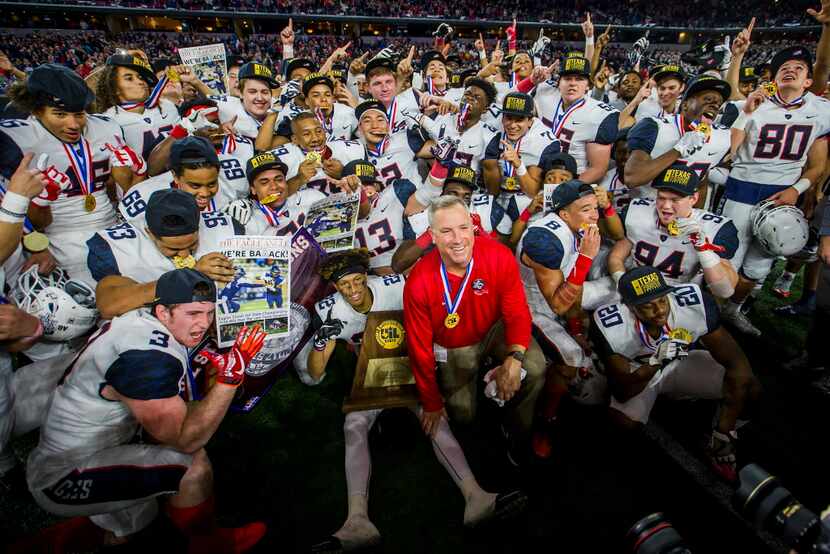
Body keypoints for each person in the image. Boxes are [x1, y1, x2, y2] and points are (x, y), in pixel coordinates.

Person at [23, 268, 268, 551]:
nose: (204, 324)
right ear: (163, 312)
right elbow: (187, 440)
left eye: (209, 313)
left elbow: (111, 283)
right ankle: (210, 545)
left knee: (135, 522)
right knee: (192, 468)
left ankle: (113, 533)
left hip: (89, 445)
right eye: (193, 314)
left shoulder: (141, 318)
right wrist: (230, 380)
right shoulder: (147, 361)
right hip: (63, 477)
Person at [303, 250, 525, 552]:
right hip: (370, 378)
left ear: (366, 277)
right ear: (335, 288)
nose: (353, 290)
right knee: (353, 425)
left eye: (358, 281)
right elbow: (315, 373)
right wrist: (321, 340)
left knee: (435, 417)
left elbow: (430, 320)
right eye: (345, 286)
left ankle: (476, 496)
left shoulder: (395, 287)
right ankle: (357, 519)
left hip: (409, 368)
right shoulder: (329, 310)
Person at [403, 195, 546, 465]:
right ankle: (480, 444)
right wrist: (431, 402)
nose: (458, 239)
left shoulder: (497, 254)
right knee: (463, 413)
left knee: (535, 366)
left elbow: (516, 311)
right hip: (453, 345)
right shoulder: (419, 282)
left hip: (494, 328)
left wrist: (514, 360)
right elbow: (419, 348)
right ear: (432, 236)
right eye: (446, 231)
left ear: (472, 225)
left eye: (463, 228)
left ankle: (518, 432)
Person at [590, 266, 760, 480]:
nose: (660, 310)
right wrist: (654, 363)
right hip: (640, 370)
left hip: (682, 362)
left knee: (750, 386)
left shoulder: (694, 303)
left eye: (662, 299)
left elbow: (738, 366)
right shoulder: (610, 325)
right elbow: (623, 391)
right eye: (647, 306)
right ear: (629, 307)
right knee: (622, 421)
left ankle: (718, 438)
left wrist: (724, 429)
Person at [720, 45, 830, 336]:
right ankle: (712, 315)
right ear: (774, 76)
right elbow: (730, 151)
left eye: (798, 67)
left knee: (758, 267)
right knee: (726, 260)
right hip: (741, 188)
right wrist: (746, 112)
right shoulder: (756, 104)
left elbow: (817, 165)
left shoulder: (821, 111)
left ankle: (731, 311)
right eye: (784, 67)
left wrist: (798, 189)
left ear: (809, 80)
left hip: (783, 193)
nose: (790, 69)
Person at [0, 63, 144, 279]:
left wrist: (135, 175)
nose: (73, 124)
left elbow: (120, 190)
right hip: (54, 236)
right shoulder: (14, 138)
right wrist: (35, 244)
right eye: (59, 114)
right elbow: (11, 207)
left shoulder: (107, 126)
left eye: (79, 114)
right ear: (36, 110)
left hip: (110, 226)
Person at [515, 180, 617, 458]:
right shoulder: (544, 240)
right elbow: (558, 304)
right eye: (585, 210)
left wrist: (577, 328)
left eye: (595, 208)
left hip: (553, 301)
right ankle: (544, 422)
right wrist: (585, 258)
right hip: (528, 307)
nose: (594, 216)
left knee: (618, 291)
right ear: (563, 214)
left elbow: (571, 292)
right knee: (572, 357)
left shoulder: (573, 229)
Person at [87, 188, 239, 319]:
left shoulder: (226, 227)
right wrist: (189, 276)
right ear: (150, 233)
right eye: (174, 249)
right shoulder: (113, 248)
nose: (185, 254)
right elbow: (107, 306)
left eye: (192, 245)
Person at [608, 165, 739, 298]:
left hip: (679, 292)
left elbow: (725, 292)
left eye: (675, 200)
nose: (666, 206)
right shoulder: (638, 212)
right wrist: (622, 283)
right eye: (661, 197)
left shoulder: (714, 228)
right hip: (635, 283)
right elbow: (616, 257)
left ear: (693, 198)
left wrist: (704, 250)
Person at [624, 75, 732, 201]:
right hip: (647, 207)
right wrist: (679, 149)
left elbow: (701, 181)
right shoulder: (653, 126)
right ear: (685, 105)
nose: (714, 105)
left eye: (718, 103)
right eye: (708, 99)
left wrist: (693, 216)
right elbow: (632, 178)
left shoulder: (722, 137)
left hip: (682, 214)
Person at [146, 97, 256, 210]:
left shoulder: (241, 145)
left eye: (215, 122)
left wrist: (247, 203)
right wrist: (182, 128)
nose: (212, 128)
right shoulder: (176, 144)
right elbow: (153, 169)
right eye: (204, 123)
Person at [528, 55, 619, 184]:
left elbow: (598, 168)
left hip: (574, 180)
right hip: (537, 174)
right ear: (558, 82)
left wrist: (566, 189)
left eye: (579, 79)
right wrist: (532, 80)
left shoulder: (599, 114)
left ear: (588, 85)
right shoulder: (544, 92)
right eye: (567, 78)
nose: (572, 83)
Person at [119, 136, 223, 230]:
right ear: (175, 176)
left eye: (211, 184)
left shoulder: (231, 181)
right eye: (195, 185)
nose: (205, 193)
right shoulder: (144, 197)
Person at [96, 53, 182, 159]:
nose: (140, 82)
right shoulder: (109, 120)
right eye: (129, 78)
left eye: (141, 77)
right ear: (114, 87)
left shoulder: (166, 105)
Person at [228, 151, 325, 237]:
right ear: (253, 189)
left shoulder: (314, 198)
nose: (274, 186)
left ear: (285, 182)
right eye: (264, 182)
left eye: (279, 179)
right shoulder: (248, 221)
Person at [413, 77, 500, 173]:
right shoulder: (442, 117)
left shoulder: (489, 135)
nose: (470, 98)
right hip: (435, 181)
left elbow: (491, 172)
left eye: (476, 97)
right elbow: (419, 150)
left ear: (485, 109)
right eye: (467, 94)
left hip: (466, 185)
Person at [270, 112, 365, 195]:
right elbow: (267, 198)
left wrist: (343, 173)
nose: (315, 138)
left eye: (319, 131)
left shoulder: (350, 148)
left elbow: (373, 188)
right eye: (306, 134)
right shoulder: (280, 158)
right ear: (295, 139)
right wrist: (299, 179)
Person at [355, 99, 435, 189]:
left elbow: (442, 148)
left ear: (388, 126)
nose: (374, 125)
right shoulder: (352, 150)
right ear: (360, 128)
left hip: (414, 201)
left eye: (380, 120)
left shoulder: (405, 139)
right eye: (367, 121)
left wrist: (425, 120)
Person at [211, 62, 278, 142]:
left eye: (265, 92)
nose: (260, 98)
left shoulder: (281, 111)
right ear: (240, 93)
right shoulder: (228, 106)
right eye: (252, 92)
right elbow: (209, 95)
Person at [619, 64, 686, 129]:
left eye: (671, 86)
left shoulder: (682, 105)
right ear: (647, 81)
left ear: (681, 87)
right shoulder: (647, 105)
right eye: (659, 81)